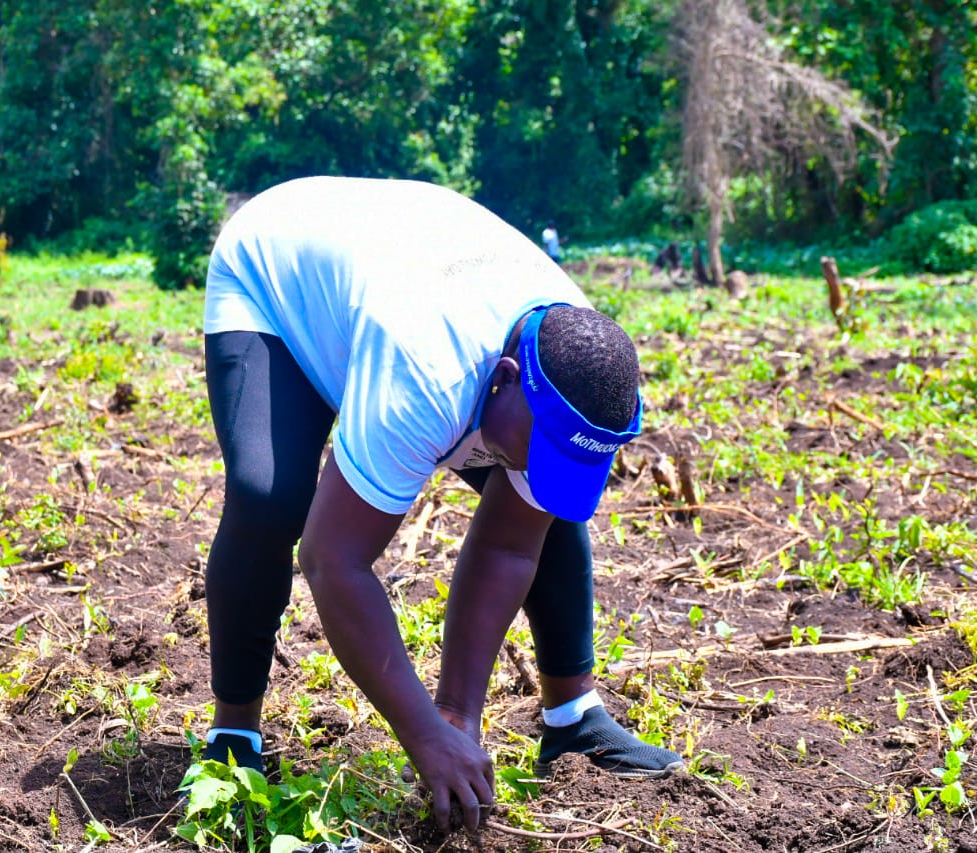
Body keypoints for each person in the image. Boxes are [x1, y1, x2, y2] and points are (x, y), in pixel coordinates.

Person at [197, 177, 682, 833]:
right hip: (278, 275)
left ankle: (573, 719)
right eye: (543, 448)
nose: (543, 468)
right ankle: (234, 737)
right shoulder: (425, 375)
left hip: (399, 268)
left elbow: (510, 545)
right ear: (505, 380)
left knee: (550, 513)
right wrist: (423, 734)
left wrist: (456, 718)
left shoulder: (578, 357)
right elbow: (334, 560)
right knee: (269, 500)